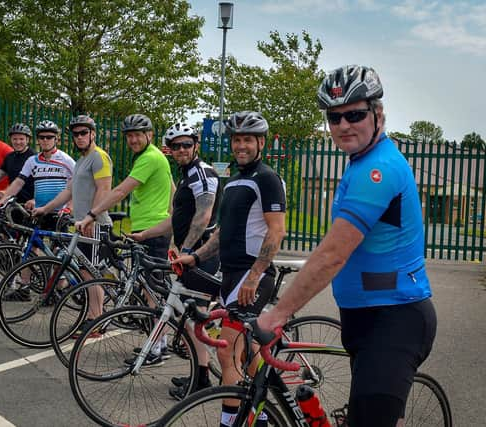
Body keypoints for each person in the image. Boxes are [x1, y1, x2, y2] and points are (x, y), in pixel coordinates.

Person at [257, 65, 437, 427]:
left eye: (354, 114)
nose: (343, 125)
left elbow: (332, 255)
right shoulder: (359, 163)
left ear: (378, 114)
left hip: (395, 320)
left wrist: (277, 315)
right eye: (334, 117)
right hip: (364, 319)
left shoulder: (379, 169)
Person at [174, 111, 286, 425]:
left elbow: (276, 231)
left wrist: (254, 276)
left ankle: (230, 422)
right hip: (232, 275)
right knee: (247, 350)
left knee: (226, 352)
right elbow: (223, 232)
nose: (241, 146)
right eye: (236, 140)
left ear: (260, 142)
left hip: (253, 276)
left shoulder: (267, 178)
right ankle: (262, 416)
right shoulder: (236, 180)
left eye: (247, 140)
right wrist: (195, 257)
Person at [130, 122, 222, 397]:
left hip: (202, 254)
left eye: (186, 144)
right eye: (176, 146)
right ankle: (202, 375)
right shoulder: (186, 175)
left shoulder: (203, 174)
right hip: (190, 255)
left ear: (195, 145)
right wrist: (145, 234)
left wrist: (187, 251)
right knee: (192, 317)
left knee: (194, 318)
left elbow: (203, 216)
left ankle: (204, 377)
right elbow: (176, 219)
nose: (181, 149)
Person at [32, 115, 113, 336]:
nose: (79, 137)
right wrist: (46, 208)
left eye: (83, 133)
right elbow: (68, 191)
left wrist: (91, 217)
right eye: (76, 134)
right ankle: (92, 316)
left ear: (93, 134)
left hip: (96, 225)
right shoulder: (80, 162)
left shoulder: (99, 157)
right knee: (87, 273)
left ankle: (97, 321)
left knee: (92, 273)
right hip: (83, 224)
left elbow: (104, 190)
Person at [75, 113, 174, 259]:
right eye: (129, 136)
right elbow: (172, 189)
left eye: (137, 135)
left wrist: (91, 215)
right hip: (150, 229)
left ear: (150, 135)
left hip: (152, 229)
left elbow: (121, 191)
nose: (133, 140)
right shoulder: (152, 155)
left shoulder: (150, 158)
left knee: (151, 280)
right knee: (146, 280)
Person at [0, 120, 75, 230]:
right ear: (37, 139)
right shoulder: (32, 160)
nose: (45, 140)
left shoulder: (65, 159)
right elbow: (18, 183)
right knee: (32, 246)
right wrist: (2, 201)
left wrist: (70, 207)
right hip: (38, 212)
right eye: (41, 137)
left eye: (49, 137)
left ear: (56, 139)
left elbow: (79, 184)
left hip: (59, 213)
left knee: (58, 247)